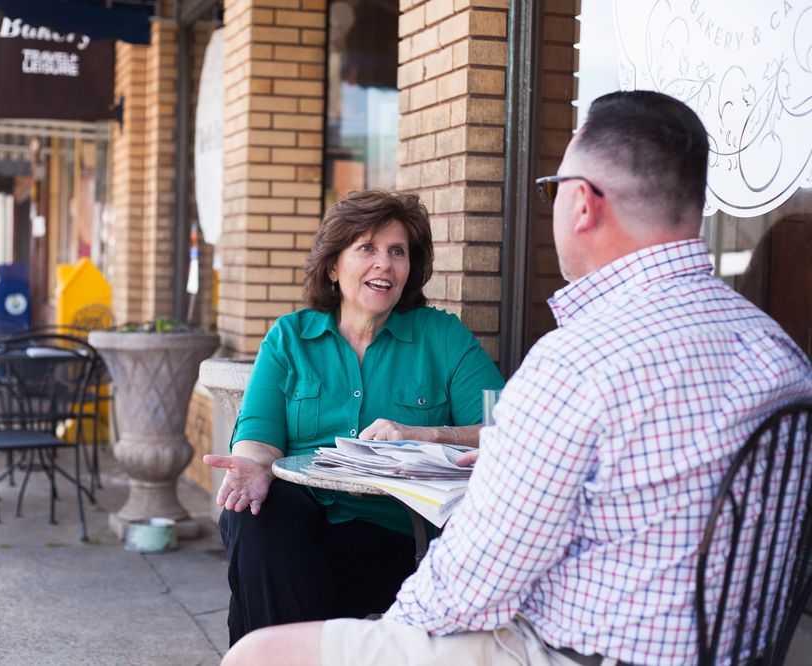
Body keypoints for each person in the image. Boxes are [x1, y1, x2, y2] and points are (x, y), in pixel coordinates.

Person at [220, 91, 812, 666]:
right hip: (740, 649)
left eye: (551, 190)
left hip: (573, 648)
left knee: (260, 655)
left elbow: (470, 588)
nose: (384, 264)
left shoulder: (579, 360)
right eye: (366, 249)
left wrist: (385, 635)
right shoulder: (781, 354)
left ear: (582, 203)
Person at [203, 189, 504, 645]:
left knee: (267, 578)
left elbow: (507, 430)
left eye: (396, 251)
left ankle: (271, 652)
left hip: (393, 527)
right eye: (366, 248)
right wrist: (253, 464)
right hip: (297, 516)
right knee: (254, 517)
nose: (384, 263)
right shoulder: (290, 337)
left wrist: (421, 433)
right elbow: (259, 435)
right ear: (332, 266)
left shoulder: (442, 337)